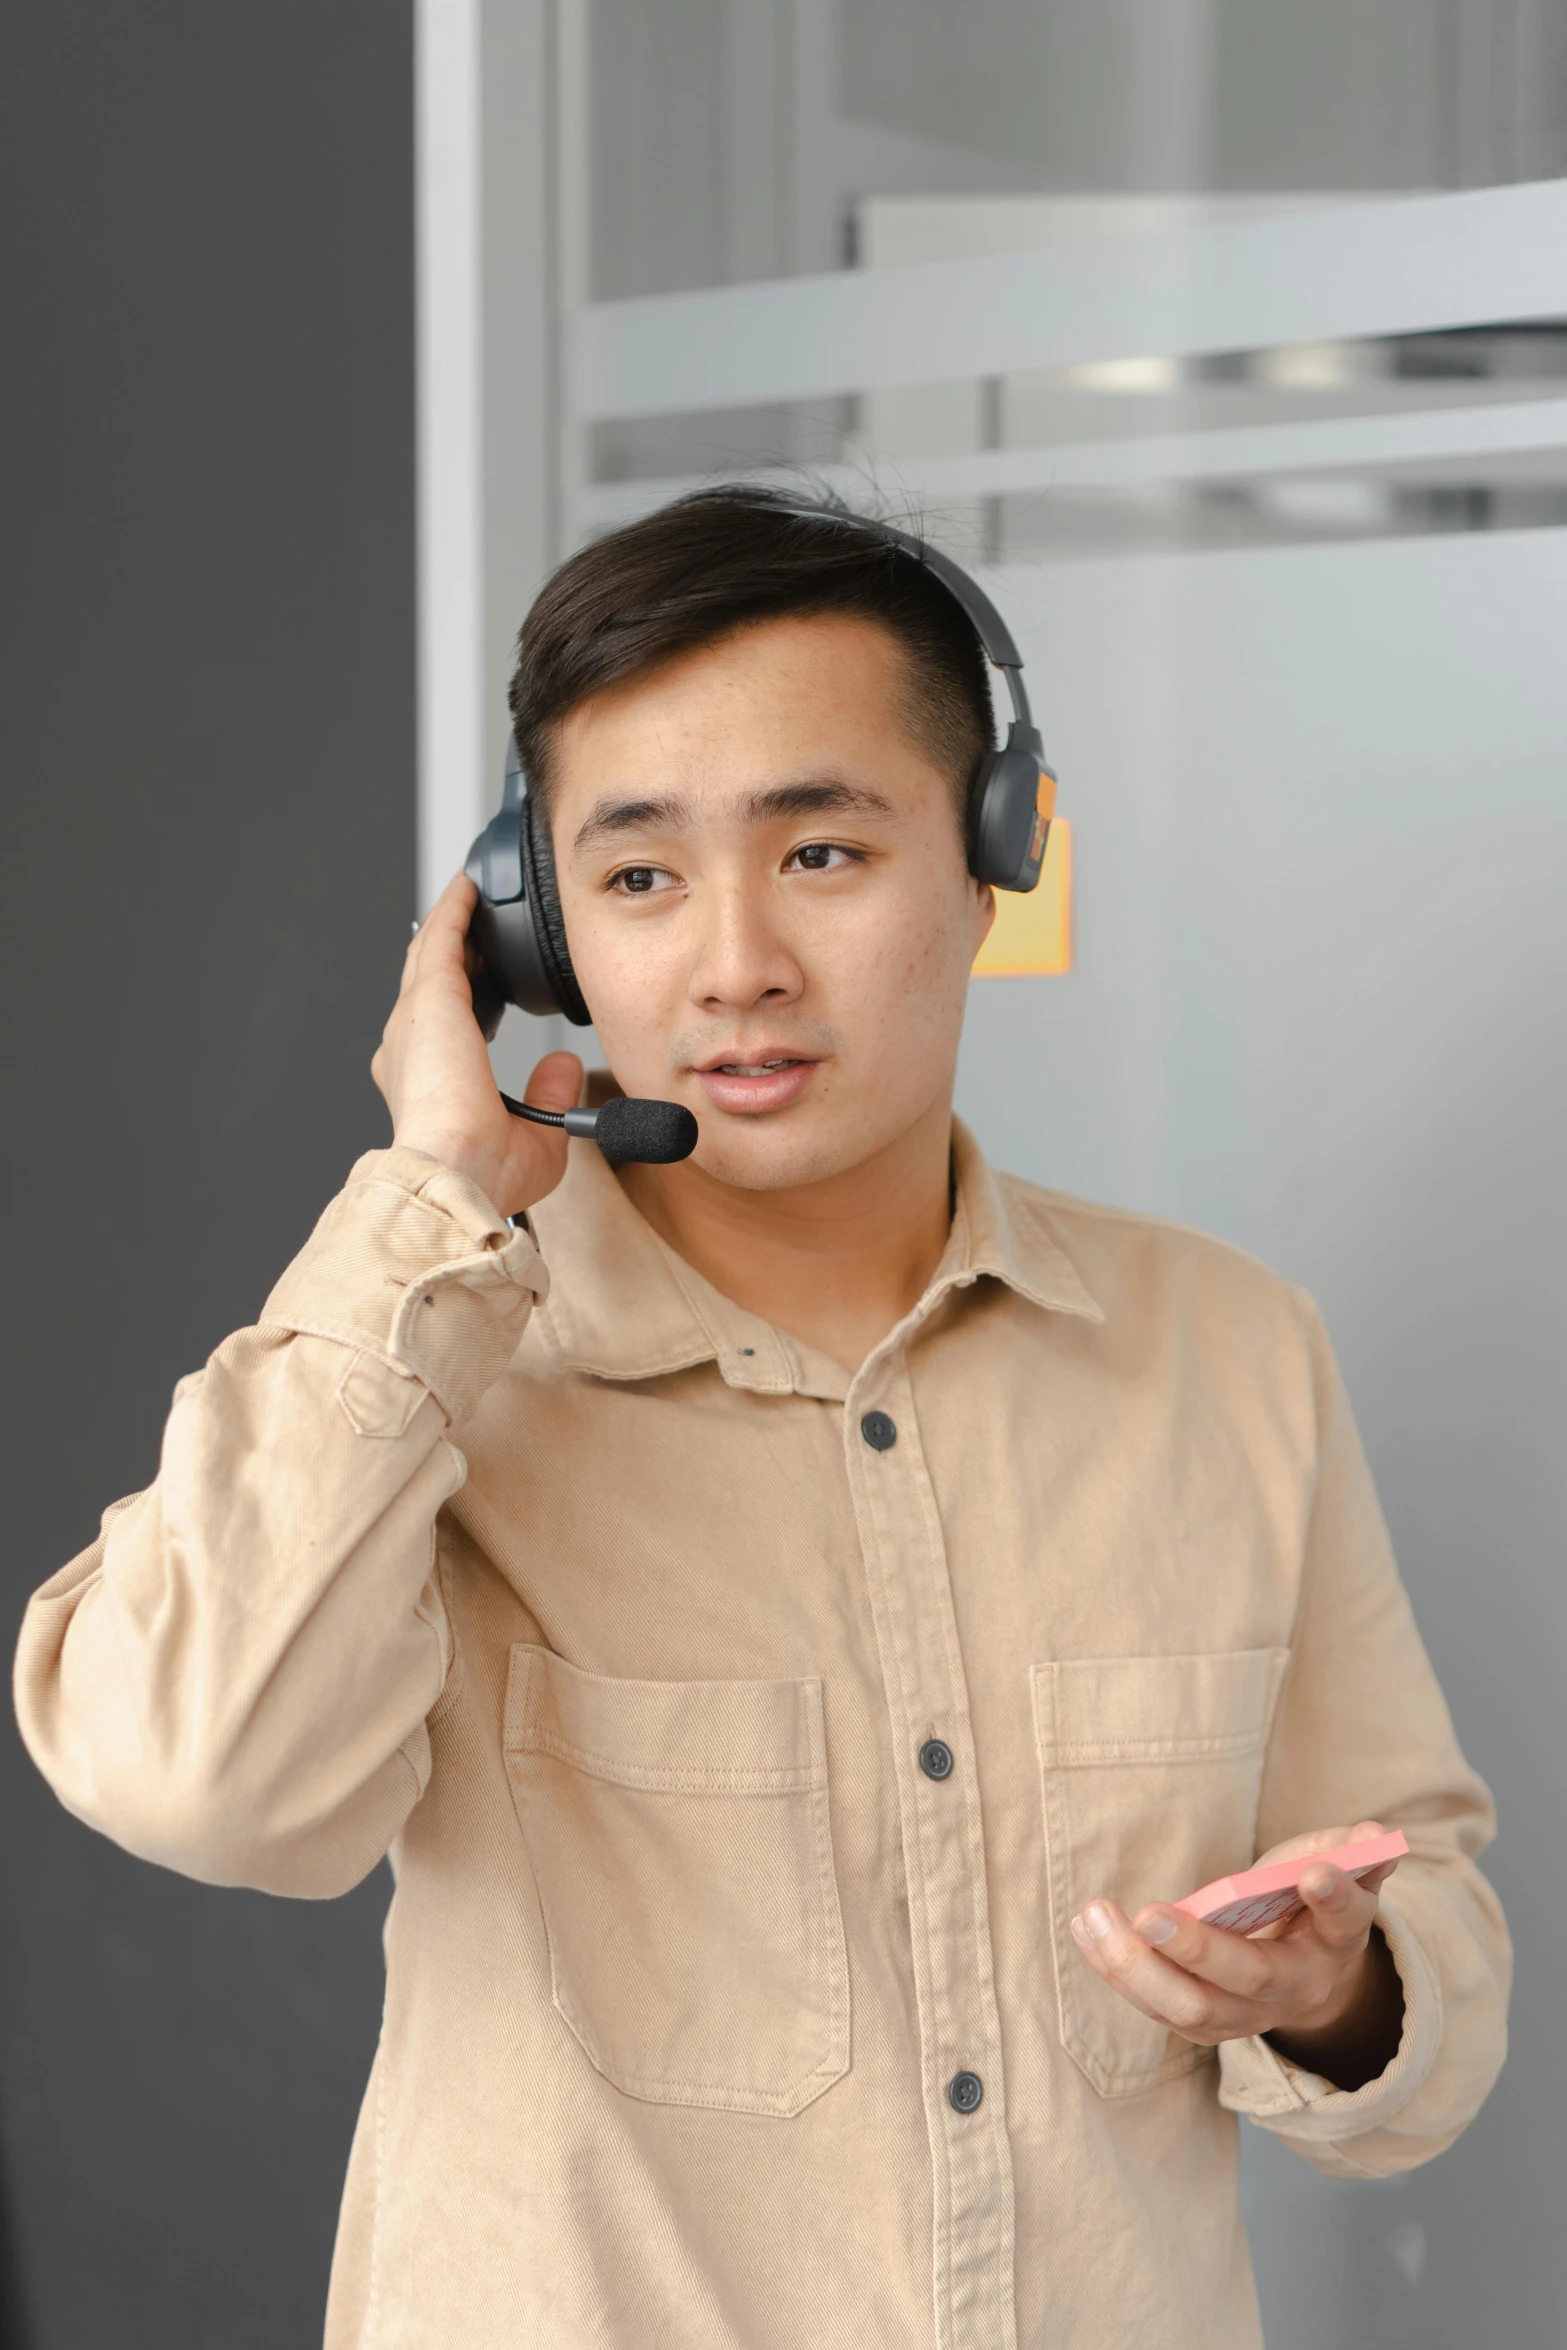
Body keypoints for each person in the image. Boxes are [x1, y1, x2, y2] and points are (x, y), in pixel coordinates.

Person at [15, 490, 1508, 2350]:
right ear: (532, 931)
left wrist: (1336, 1985)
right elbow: (191, 1776)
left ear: (990, 857)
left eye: (820, 852)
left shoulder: (1224, 1347)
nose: (734, 966)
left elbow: (1425, 1943)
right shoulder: (428, 1372)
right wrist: (429, 1196)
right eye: (636, 879)